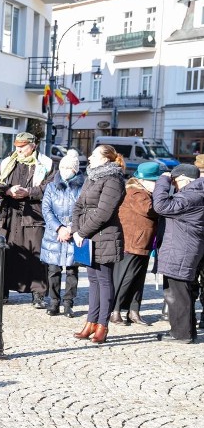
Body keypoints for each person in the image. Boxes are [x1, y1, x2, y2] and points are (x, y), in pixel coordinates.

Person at [0, 132, 55, 305]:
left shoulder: (45, 164)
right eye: (16, 146)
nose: (18, 150)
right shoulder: (8, 162)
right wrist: (9, 190)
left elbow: (50, 187)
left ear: (33, 146)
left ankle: (38, 295)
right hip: (8, 216)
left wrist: (29, 192)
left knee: (36, 257)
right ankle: (2, 292)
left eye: (22, 147)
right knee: (4, 254)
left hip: (33, 217)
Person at [71, 145, 126, 344]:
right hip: (87, 237)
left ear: (106, 159)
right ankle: (91, 322)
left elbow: (104, 213)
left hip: (105, 236)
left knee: (104, 280)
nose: (90, 157)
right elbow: (78, 206)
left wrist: (82, 232)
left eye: (94, 155)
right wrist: (76, 230)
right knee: (93, 281)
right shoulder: (91, 176)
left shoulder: (114, 180)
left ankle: (103, 325)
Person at [152, 164, 204, 344]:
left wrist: (163, 180)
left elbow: (160, 205)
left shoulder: (191, 195)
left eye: (174, 180)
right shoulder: (197, 193)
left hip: (181, 250)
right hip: (183, 247)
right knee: (182, 292)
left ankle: (182, 334)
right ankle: (184, 330)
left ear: (183, 179)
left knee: (177, 293)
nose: (173, 183)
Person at [111, 162, 160, 326]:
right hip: (131, 243)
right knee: (124, 278)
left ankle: (133, 311)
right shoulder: (135, 193)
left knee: (138, 280)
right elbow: (151, 210)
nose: (156, 184)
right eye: (154, 181)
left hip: (142, 243)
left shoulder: (144, 192)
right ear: (142, 180)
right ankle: (115, 310)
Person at [39, 149, 84, 317]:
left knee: (72, 270)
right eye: (63, 167)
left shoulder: (82, 186)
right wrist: (59, 228)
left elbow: (84, 209)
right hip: (54, 233)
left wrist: (71, 229)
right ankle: (54, 302)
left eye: (69, 168)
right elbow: (46, 209)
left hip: (74, 233)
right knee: (53, 269)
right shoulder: (52, 186)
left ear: (75, 170)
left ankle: (68, 303)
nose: (65, 171)